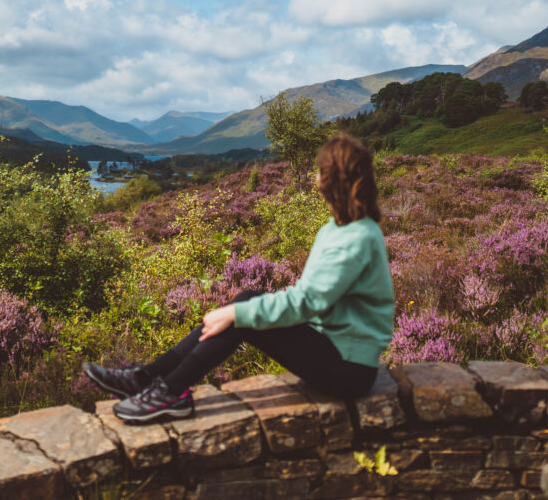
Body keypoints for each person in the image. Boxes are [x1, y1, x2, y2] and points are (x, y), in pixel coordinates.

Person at [82, 133, 394, 423]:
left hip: (349, 370)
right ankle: (150, 378)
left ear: (330, 177)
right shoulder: (339, 228)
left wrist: (235, 313)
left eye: (319, 170)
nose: (314, 177)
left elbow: (307, 302)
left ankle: (168, 391)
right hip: (335, 350)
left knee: (243, 312)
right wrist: (239, 309)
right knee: (247, 300)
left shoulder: (357, 237)